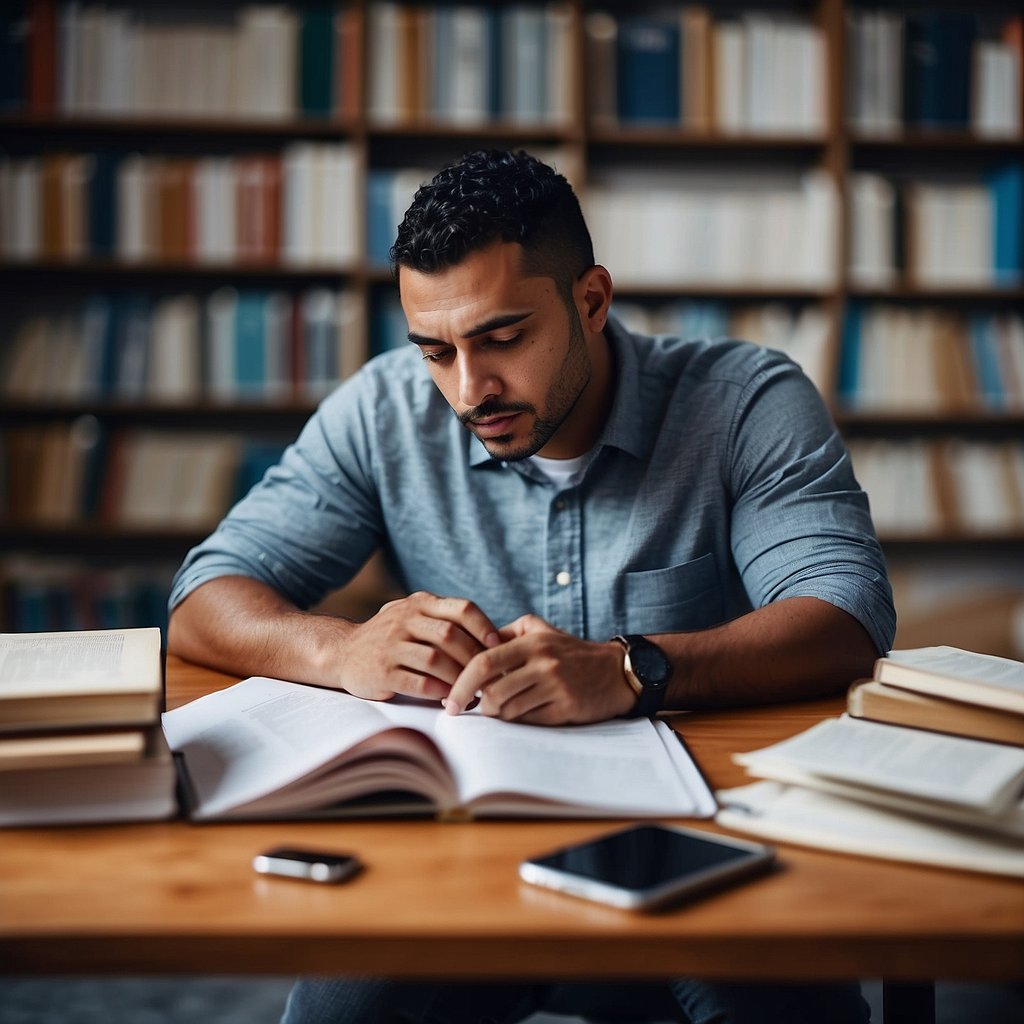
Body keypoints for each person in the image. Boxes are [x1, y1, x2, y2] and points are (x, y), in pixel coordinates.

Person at [168, 149, 894, 1024]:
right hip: (459, 850)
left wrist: (633, 670)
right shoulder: (384, 411)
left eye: (503, 338)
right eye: (436, 350)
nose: (469, 390)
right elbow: (204, 595)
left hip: (699, 846)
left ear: (591, 300)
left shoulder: (743, 401)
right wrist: (341, 646)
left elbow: (845, 616)